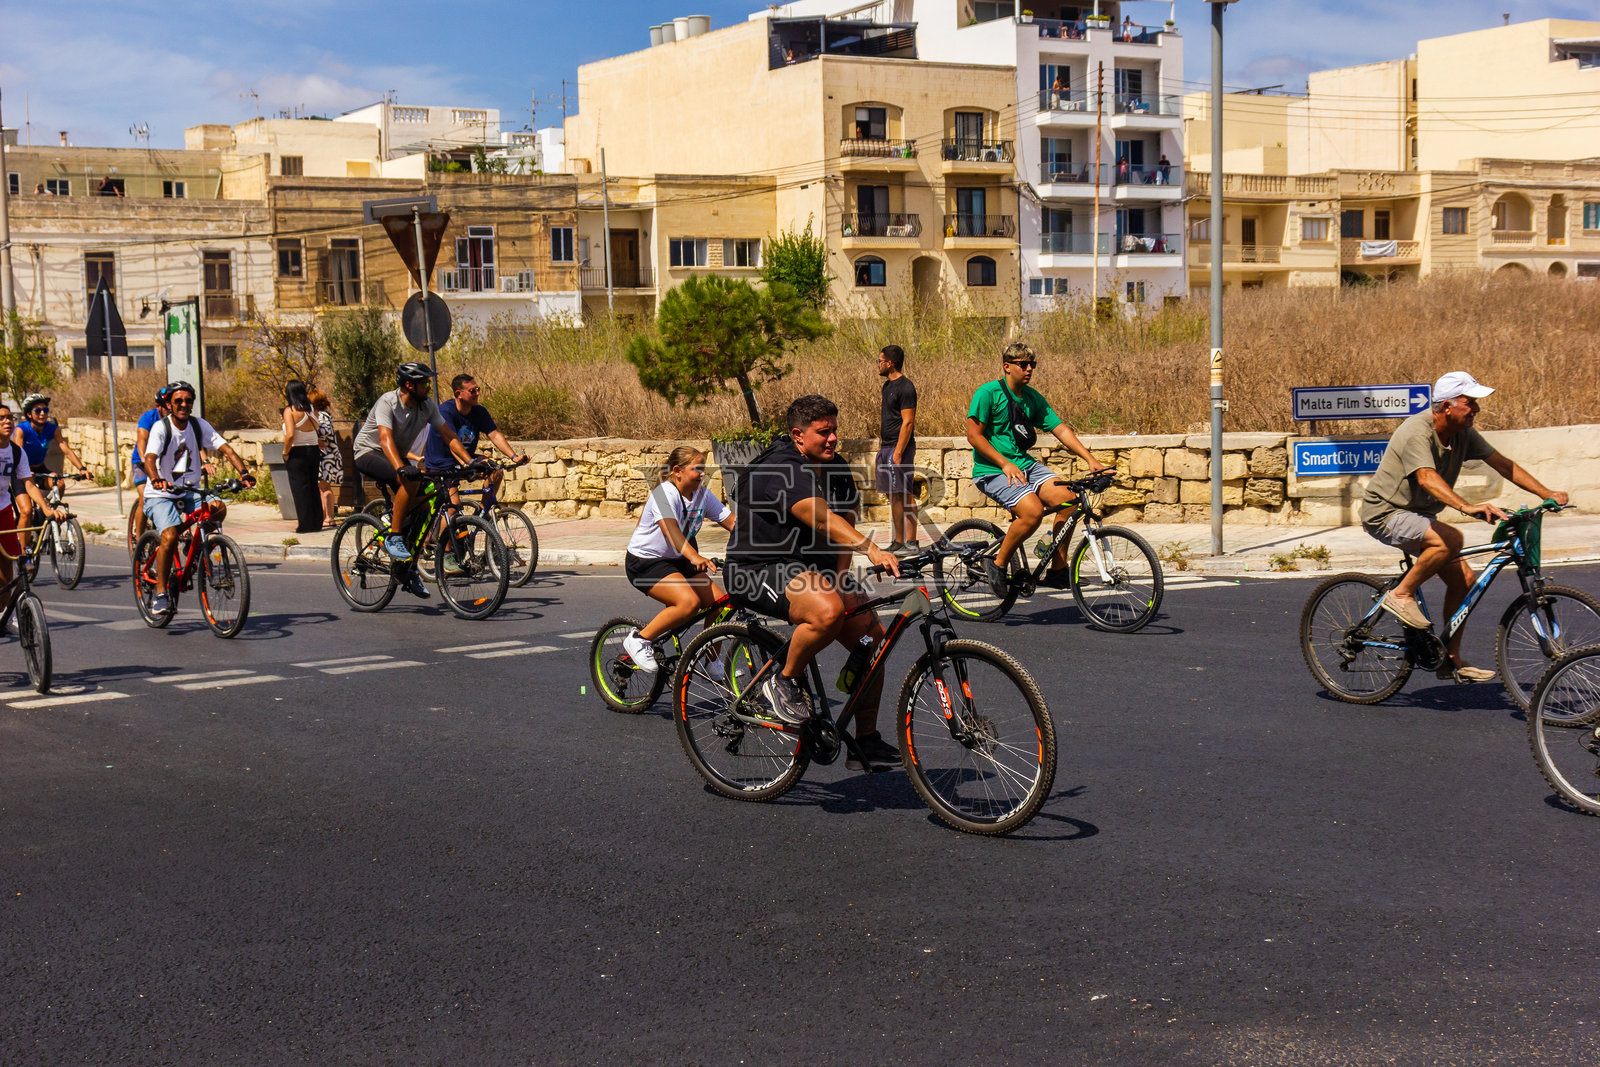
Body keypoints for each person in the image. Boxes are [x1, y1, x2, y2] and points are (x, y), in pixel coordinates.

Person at [723, 394, 902, 771]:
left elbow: (844, 522)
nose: (833, 438)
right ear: (798, 435)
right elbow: (820, 518)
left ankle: (865, 741)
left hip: (808, 571)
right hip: (757, 569)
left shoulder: (835, 467)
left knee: (872, 640)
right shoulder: (781, 468)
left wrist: (839, 579)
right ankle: (783, 680)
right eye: (823, 432)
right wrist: (871, 549)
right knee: (826, 612)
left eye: (835, 429)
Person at [1360, 371, 1568, 683]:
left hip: (1419, 516)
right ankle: (1401, 595)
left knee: (1465, 579)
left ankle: (1450, 659)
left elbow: (1503, 464)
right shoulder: (1416, 431)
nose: (1476, 409)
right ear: (1446, 406)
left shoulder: (1462, 433)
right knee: (1450, 539)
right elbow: (1426, 477)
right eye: (1469, 402)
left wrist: (1546, 493)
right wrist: (1466, 506)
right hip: (1386, 513)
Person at [966, 341, 1106, 594]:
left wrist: (1091, 459)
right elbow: (974, 436)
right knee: (1033, 512)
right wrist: (1005, 463)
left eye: (1032, 364)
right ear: (1007, 366)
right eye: (1023, 364)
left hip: (1024, 465)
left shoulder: (1032, 398)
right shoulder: (987, 393)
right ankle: (997, 564)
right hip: (992, 470)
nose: (1029, 369)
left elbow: (1060, 429)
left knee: (1069, 499)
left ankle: (1058, 570)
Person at [351, 362, 475, 598]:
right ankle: (394, 536)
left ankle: (407, 570)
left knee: (425, 507)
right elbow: (385, 439)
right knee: (410, 481)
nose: (429, 387)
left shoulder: (426, 405)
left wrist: (470, 462)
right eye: (425, 383)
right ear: (409, 385)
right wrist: (401, 468)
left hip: (394, 456)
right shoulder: (388, 402)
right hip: (368, 452)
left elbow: (448, 435)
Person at [141, 381, 256, 616]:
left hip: (189, 490)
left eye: (188, 401)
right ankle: (161, 594)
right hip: (161, 493)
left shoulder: (198, 425)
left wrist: (244, 473)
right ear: (169, 404)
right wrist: (156, 479)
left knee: (218, 508)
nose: (184, 405)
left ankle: (194, 549)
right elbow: (150, 458)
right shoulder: (161, 428)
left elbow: (226, 449)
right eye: (178, 401)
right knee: (169, 535)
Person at [622, 446, 737, 672]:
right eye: (697, 469)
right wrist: (694, 556)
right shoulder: (664, 493)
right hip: (647, 562)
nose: (702, 474)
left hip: (679, 560)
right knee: (689, 603)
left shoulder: (702, 495)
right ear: (677, 471)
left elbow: (733, 523)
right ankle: (639, 639)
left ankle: (711, 662)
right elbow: (671, 532)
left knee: (722, 605)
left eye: (704, 469)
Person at [419, 374, 528, 500]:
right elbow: (452, 442)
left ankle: (483, 511)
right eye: (472, 391)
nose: (477, 393)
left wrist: (514, 457)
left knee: (496, 471)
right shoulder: (445, 411)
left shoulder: (479, 411)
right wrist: (469, 463)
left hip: (466, 459)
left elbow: (494, 435)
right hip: (442, 464)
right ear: (458, 393)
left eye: (478, 389)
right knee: (453, 507)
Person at [0, 406, 65, 613]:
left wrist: (46, 509)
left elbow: (28, 484)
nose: (7, 422)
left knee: (7, 571)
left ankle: (5, 615)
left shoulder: (16, 452)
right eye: (1, 418)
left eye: (9, 417)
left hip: (3, 510)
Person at [13, 393, 91, 557]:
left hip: (40, 468)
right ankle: (24, 553)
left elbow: (66, 449)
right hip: (21, 472)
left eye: (45, 410)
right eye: (38, 410)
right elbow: (17, 452)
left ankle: (44, 514)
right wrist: (24, 469)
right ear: (29, 414)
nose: (43, 413)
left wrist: (82, 468)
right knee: (26, 511)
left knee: (59, 483)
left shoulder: (52, 429)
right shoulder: (22, 429)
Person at [875, 344, 919, 554]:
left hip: (900, 448)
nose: (878, 364)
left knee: (905, 493)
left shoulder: (906, 387)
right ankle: (899, 541)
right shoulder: (887, 386)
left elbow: (908, 422)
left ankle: (912, 542)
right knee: (893, 495)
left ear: (890, 363)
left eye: (880, 361)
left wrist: (899, 452)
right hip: (886, 446)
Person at [128, 385, 174, 546]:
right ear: (158, 406)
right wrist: (144, 460)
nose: (170, 409)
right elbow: (142, 440)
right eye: (166, 406)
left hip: (164, 463)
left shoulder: (177, 420)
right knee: (144, 498)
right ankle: (139, 541)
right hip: (142, 463)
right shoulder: (148, 418)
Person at [281, 380, 323, 535]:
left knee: (300, 489)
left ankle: (304, 525)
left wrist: (285, 452)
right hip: (313, 450)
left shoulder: (290, 410)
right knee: (313, 487)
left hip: (297, 452)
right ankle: (317, 522)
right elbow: (317, 428)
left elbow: (290, 435)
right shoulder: (312, 409)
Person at [309, 389, 342, 529]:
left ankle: (329, 517)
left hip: (326, 457)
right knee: (322, 487)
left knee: (324, 486)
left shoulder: (321, 416)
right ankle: (325, 517)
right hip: (327, 456)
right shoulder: (325, 415)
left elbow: (326, 433)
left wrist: (317, 439)